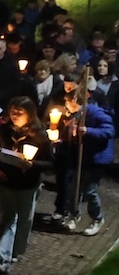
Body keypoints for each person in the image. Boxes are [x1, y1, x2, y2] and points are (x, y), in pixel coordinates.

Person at [0, 96, 52, 275]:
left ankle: (15, 251)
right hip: (6, 183)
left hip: (28, 185)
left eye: (19, 113)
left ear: (30, 114)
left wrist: (33, 165)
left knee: (25, 220)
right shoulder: (3, 132)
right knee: (6, 219)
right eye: (12, 112)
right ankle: (0, 257)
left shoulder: (40, 136)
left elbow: (51, 163)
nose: (15, 116)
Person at [54, 83, 113, 236]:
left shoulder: (94, 112)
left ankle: (97, 218)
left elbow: (109, 130)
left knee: (89, 190)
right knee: (75, 188)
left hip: (95, 158)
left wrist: (88, 131)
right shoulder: (75, 116)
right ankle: (74, 215)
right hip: (80, 157)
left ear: (74, 101)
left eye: (67, 103)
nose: (66, 106)